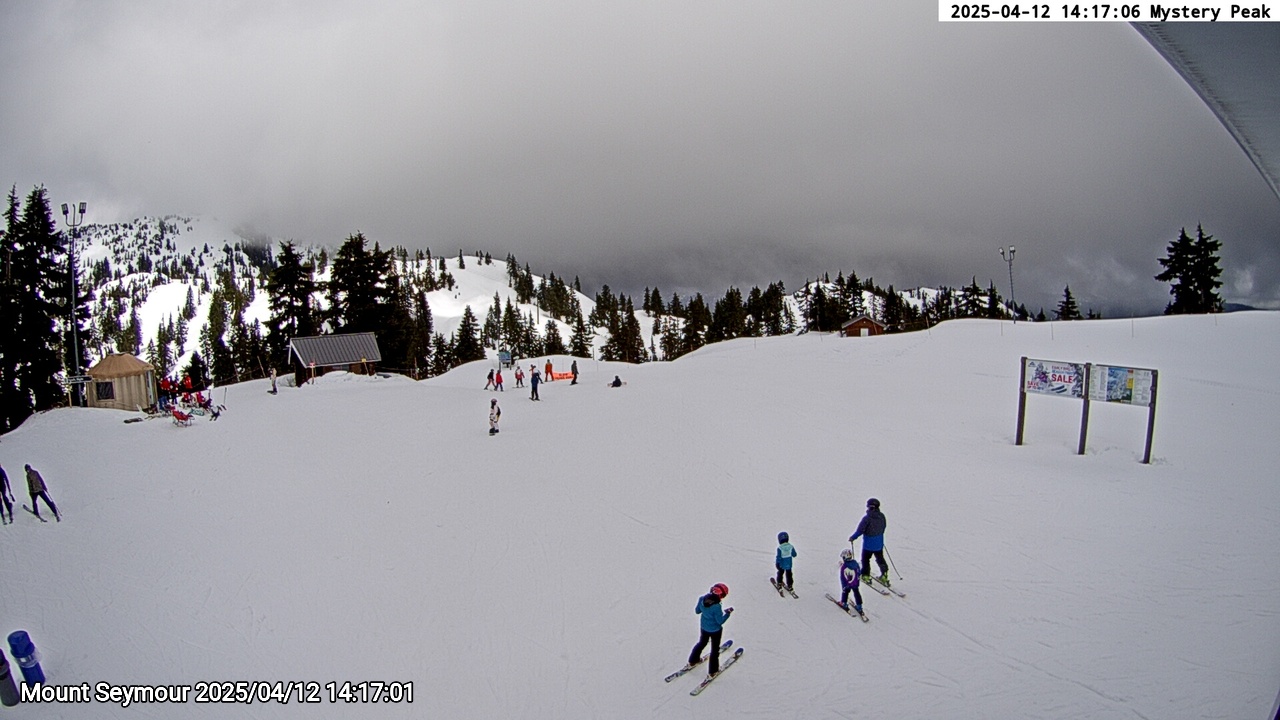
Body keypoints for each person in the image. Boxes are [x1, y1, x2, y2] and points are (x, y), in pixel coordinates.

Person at [688, 583, 733, 677]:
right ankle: (713, 671)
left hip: (704, 628)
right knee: (714, 650)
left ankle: (693, 660)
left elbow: (697, 611)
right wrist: (727, 613)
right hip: (715, 631)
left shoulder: (702, 599)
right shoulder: (716, 607)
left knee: (702, 643)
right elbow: (719, 621)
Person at [849, 497, 889, 585]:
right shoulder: (882, 516)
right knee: (880, 559)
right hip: (879, 544)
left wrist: (853, 537)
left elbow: (860, 530)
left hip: (868, 545)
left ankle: (865, 575)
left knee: (865, 559)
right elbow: (883, 527)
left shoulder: (867, 518)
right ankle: (884, 574)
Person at [838, 549, 865, 613]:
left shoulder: (844, 567)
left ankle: (844, 603)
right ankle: (859, 606)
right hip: (855, 583)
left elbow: (843, 577)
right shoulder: (855, 563)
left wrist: (844, 585)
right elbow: (859, 572)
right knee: (857, 593)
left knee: (845, 592)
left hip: (847, 584)